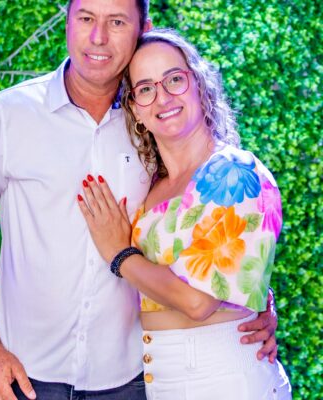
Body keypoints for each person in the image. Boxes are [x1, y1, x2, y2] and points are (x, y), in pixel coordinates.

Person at [0, 1, 278, 399]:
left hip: (131, 380)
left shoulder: (154, 126)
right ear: (67, 21)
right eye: (86, 18)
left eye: (116, 21)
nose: (98, 37)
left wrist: (250, 297)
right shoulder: (9, 113)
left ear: (142, 29)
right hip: (27, 375)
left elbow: (217, 227)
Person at [77, 28, 292, 399]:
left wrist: (120, 254)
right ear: (135, 109)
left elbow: (198, 302)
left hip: (225, 378)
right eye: (146, 88)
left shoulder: (234, 171)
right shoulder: (150, 186)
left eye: (174, 79)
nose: (163, 97)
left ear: (199, 84)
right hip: (162, 377)